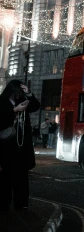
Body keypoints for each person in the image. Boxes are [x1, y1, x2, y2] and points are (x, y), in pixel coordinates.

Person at [0, 80, 41, 212]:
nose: (19, 95)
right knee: (6, 176)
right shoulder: (2, 102)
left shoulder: (22, 101)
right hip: (6, 146)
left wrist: (28, 93)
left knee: (21, 176)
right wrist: (14, 111)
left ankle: (21, 203)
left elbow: (35, 106)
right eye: (18, 92)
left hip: (21, 146)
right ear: (11, 91)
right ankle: (4, 202)